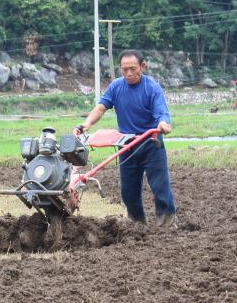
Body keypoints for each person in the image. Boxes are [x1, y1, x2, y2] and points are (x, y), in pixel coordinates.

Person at [74, 49, 176, 228]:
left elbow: (162, 114)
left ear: (142, 66)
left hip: (151, 142)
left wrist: (163, 125)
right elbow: (100, 108)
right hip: (127, 145)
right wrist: (87, 123)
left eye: (133, 69)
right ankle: (137, 225)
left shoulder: (151, 87)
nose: (129, 73)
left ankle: (166, 224)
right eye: (124, 69)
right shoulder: (116, 86)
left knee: (160, 187)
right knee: (128, 192)